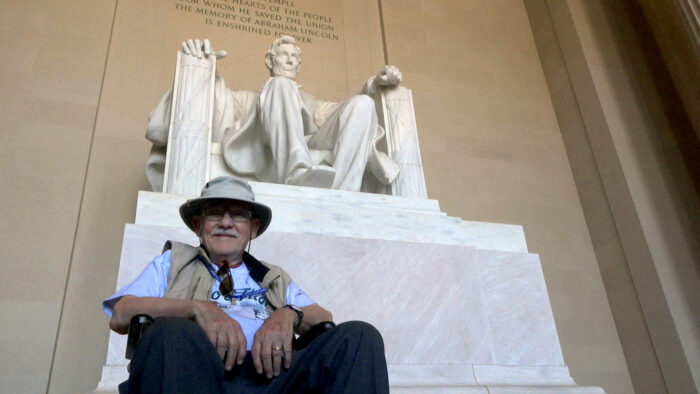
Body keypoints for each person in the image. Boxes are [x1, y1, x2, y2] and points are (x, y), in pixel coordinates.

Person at [103, 176, 389, 393]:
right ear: (197, 225)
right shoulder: (171, 262)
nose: (226, 222)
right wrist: (196, 309)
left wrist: (288, 313)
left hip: (274, 374)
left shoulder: (272, 275)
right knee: (171, 332)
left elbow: (324, 318)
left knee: (360, 337)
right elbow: (121, 314)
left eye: (238, 214)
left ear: (252, 228)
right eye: (215, 212)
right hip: (197, 369)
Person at [146, 36, 402, 192]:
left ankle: (342, 192)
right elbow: (218, 100)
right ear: (270, 61)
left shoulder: (311, 103)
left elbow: (345, 112)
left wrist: (374, 85)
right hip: (265, 149)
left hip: (312, 142)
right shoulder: (250, 99)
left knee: (363, 105)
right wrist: (206, 66)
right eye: (284, 56)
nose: (289, 61)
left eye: (294, 58)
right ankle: (297, 174)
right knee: (280, 85)